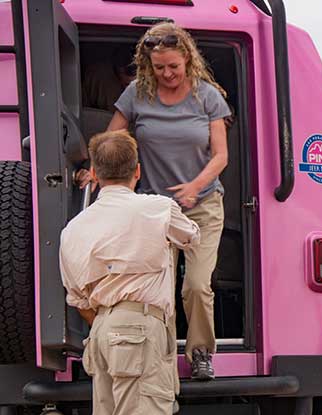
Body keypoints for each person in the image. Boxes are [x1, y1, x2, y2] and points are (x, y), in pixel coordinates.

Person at [77, 22, 230, 380]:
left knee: (195, 285)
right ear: (148, 65)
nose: (167, 74)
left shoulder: (207, 96)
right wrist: (92, 169)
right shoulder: (136, 94)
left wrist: (195, 185)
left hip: (203, 205)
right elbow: (110, 137)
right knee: (157, 289)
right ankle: (160, 358)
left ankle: (201, 353)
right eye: (159, 67)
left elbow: (220, 156)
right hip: (154, 210)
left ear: (187, 60)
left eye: (173, 66)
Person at [59, 130, 200, 415]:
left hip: (102, 334)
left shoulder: (73, 230)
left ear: (93, 173)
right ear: (137, 170)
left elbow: (78, 299)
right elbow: (192, 238)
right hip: (141, 329)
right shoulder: (158, 209)